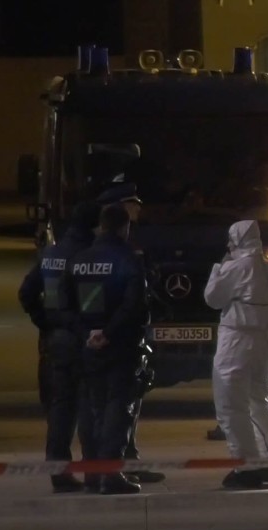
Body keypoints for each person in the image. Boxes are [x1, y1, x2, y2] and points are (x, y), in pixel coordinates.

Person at [60, 202, 149, 495]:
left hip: (87, 347)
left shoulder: (77, 260)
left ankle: (91, 473)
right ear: (124, 228)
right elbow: (134, 305)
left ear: (101, 226)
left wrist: (88, 333)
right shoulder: (128, 260)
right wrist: (108, 333)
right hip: (120, 346)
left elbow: (64, 306)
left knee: (90, 408)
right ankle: (110, 475)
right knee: (117, 409)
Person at [18, 201, 101, 493]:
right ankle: (94, 472)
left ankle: (58, 471)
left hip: (54, 340)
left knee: (60, 409)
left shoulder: (51, 253)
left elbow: (27, 292)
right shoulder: (87, 255)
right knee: (90, 407)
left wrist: (45, 321)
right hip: (81, 338)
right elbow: (91, 304)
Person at [204, 220, 268, 489]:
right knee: (257, 399)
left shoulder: (236, 268)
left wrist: (218, 268)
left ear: (236, 241)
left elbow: (212, 298)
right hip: (266, 342)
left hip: (237, 343)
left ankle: (246, 467)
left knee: (231, 406)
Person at [96, 183, 165, 484]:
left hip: (119, 334)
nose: (138, 209)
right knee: (118, 404)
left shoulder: (129, 242)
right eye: (132, 204)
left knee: (129, 402)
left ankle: (126, 458)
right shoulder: (119, 249)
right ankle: (115, 465)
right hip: (120, 336)